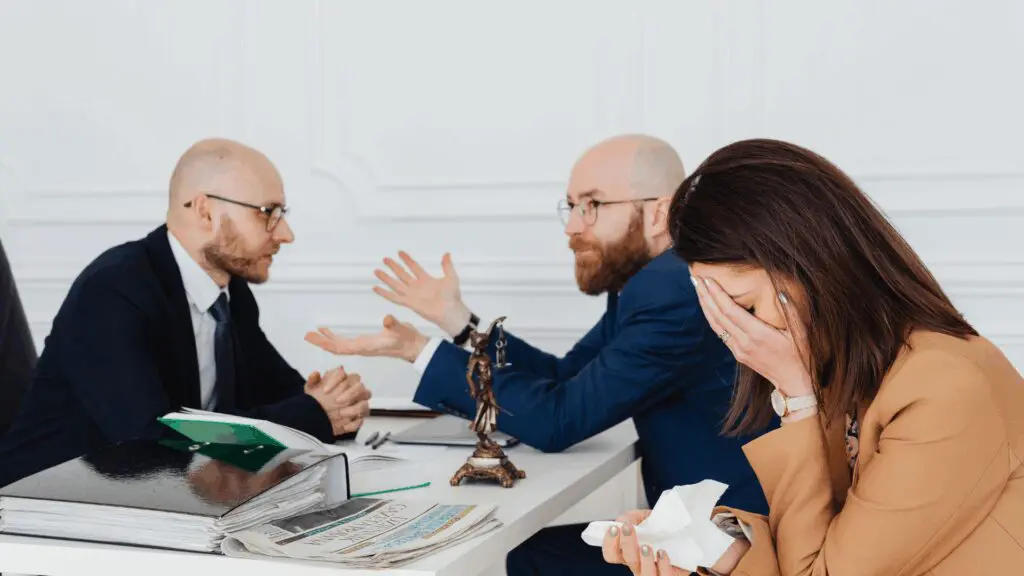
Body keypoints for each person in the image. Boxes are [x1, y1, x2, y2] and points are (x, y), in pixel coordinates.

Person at [304, 134, 771, 575]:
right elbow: (566, 375)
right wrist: (461, 325)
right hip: (710, 526)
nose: (571, 226)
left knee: (533, 558)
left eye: (592, 205)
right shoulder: (653, 280)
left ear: (658, 213)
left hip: (740, 546)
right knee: (533, 554)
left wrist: (419, 351)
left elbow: (557, 419)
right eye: (570, 207)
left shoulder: (670, 290)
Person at [602, 138, 1024, 575]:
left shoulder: (944, 388)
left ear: (809, 265)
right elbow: (827, 541)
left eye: (744, 308)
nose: (739, 339)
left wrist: (798, 400)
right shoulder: (854, 373)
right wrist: (714, 541)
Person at [0, 138, 370, 487]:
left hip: (153, 503)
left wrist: (337, 407)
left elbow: (288, 396)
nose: (285, 233)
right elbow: (147, 442)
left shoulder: (231, 294)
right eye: (268, 213)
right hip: (41, 509)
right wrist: (312, 414)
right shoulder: (114, 289)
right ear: (205, 210)